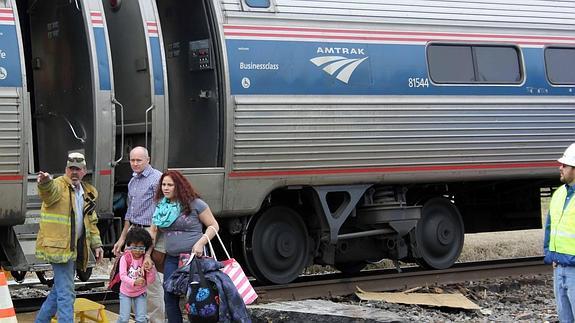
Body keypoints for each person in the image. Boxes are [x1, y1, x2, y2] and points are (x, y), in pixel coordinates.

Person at [34, 152, 104, 323]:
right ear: (66, 169)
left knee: (59, 291)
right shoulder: (58, 185)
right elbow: (49, 193)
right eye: (71, 169)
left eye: (78, 169)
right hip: (60, 249)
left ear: (84, 171)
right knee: (66, 294)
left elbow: (91, 221)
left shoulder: (87, 192)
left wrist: (97, 244)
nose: (74, 172)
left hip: (74, 248)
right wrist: (44, 183)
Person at [151, 170, 219, 323]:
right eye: (163, 184)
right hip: (172, 258)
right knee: (169, 295)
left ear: (179, 186)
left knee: (196, 296)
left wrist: (201, 242)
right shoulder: (161, 207)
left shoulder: (195, 203)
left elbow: (214, 225)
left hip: (194, 258)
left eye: (170, 185)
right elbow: (153, 231)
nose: (166, 188)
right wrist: (147, 253)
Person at [112, 146, 165, 322]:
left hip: (150, 230)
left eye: (139, 160)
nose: (135, 163)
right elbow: (130, 212)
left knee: (152, 281)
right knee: (133, 275)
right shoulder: (133, 181)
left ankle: (156, 320)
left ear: (148, 160)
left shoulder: (156, 179)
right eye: (132, 160)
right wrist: (122, 238)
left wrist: (150, 245)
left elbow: (160, 211)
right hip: (134, 232)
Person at [545, 143, 575, 323]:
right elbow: (550, 229)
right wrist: (550, 255)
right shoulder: (558, 195)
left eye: (565, 165)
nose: (560, 167)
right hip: (559, 268)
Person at [118, 227, 157, 323]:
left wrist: (150, 270)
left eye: (141, 248)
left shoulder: (146, 259)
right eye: (134, 247)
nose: (137, 251)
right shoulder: (125, 258)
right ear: (129, 245)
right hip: (125, 292)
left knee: (141, 319)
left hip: (140, 293)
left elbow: (150, 280)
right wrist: (134, 282)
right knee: (124, 318)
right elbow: (122, 276)